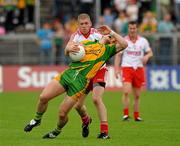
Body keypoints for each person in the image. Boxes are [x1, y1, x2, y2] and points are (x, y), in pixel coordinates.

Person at [24, 25, 128, 139]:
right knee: (44, 97)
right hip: (68, 74)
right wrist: (68, 49)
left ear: (111, 41)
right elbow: (69, 48)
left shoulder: (107, 50)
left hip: (79, 83)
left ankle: (57, 131)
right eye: (108, 36)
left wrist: (112, 33)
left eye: (111, 38)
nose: (108, 37)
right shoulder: (88, 43)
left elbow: (124, 44)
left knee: (63, 113)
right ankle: (37, 119)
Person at [66, 13, 109, 139]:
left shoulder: (98, 33)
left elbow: (111, 40)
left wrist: (106, 40)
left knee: (96, 99)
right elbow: (68, 46)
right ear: (78, 25)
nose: (84, 26)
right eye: (81, 24)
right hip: (84, 73)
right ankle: (86, 120)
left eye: (86, 23)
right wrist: (69, 49)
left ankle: (104, 132)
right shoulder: (75, 36)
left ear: (90, 23)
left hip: (99, 70)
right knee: (77, 106)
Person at [114, 21, 153, 121]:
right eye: (130, 28)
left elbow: (150, 53)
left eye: (134, 28)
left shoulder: (143, 41)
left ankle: (136, 116)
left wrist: (146, 57)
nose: (132, 30)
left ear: (137, 29)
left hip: (138, 68)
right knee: (126, 91)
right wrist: (116, 69)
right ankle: (126, 114)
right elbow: (118, 55)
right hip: (127, 67)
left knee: (137, 95)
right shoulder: (124, 41)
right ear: (128, 29)